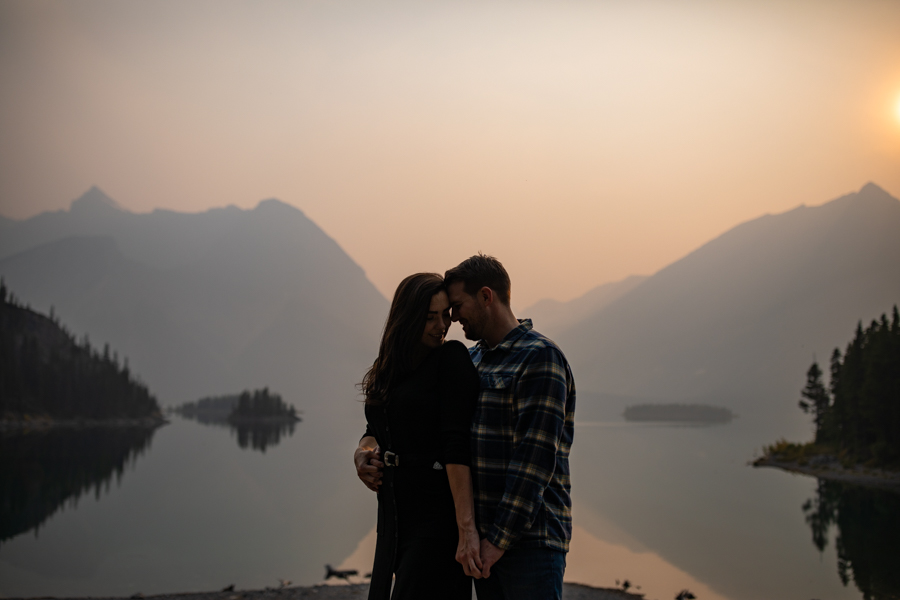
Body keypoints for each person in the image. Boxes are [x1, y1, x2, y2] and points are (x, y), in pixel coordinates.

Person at [444, 254, 576, 600]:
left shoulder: (540, 358)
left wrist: (498, 541)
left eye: (458, 306)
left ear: (486, 297)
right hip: (483, 544)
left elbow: (533, 461)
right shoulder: (471, 361)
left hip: (530, 544)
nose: (453, 317)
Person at [354, 273, 483, 600]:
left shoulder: (451, 359)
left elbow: (457, 446)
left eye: (444, 316)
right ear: (407, 317)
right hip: (394, 515)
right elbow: (376, 430)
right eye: (429, 317)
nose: (441, 325)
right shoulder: (388, 369)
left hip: (435, 519)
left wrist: (466, 531)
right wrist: (363, 452)